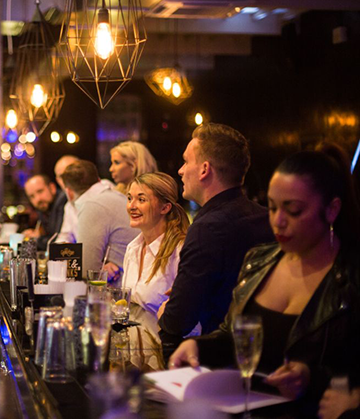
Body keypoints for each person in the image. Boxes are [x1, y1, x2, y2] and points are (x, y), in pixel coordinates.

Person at [169, 144, 360, 415]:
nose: (278, 221)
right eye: (271, 207)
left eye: (293, 210)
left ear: (331, 210)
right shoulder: (258, 260)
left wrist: (314, 380)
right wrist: (199, 346)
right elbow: (235, 335)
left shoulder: (351, 277)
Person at [158, 123, 273, 357]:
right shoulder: (265, 217)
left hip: (224, 359)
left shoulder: (206, 228)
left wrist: (165, 312)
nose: (180, 170)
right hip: (269, 352)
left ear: (204, 170)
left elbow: (178, 322)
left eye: (186, 161)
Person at [121, 172, 189, 318]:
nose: (131, 206)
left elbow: (190, 314)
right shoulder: (132, 248)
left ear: (165, 208)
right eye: (129, 198)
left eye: (141, 199)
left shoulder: (180, 250)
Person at [61, 160, 137, 279]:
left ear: (69, 192)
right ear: (98, 180)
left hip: (123, 285)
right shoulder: (114, 196)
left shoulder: (92, 205)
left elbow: (86, 271)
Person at [23, 174, 67, 251]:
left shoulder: (63, 201)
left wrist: (36, 239)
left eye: (40, 191)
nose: (37, 199)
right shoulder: (43, 208)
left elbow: (57, 242)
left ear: (52, 188)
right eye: (32, 196)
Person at [54, 155, 79, 243]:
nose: (67, 179)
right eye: (62, 176)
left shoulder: (103, 189)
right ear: (58, 181)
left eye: (71, 173)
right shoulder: (69, 206)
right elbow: (65, 236)